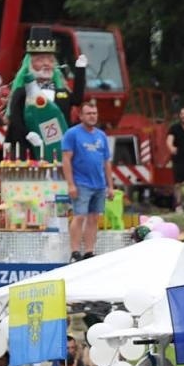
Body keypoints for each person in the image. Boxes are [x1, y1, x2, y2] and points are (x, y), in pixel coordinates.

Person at [5, 27, 86, 160]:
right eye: (40, 60)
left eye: (49, 59)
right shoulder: (22, 93)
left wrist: (81, 70)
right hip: (28, 155)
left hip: (58, 154)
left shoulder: (61, 93)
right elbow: (15, 120)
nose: (46, 64)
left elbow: (77, 100)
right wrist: (28, 134)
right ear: (30, 63)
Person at [62, 99, 112, 262]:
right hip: (81, 183)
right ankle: (75, 251)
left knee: (94, 218)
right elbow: (66, 159)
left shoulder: (101, 135)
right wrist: (70, 184)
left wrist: (110, 186)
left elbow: (106, 162)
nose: (92, 116)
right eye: (88, 113)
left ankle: (89, 251)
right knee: (79, 216)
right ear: (81, 116)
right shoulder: (72, 134)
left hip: (99, 184)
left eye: (94, 113)